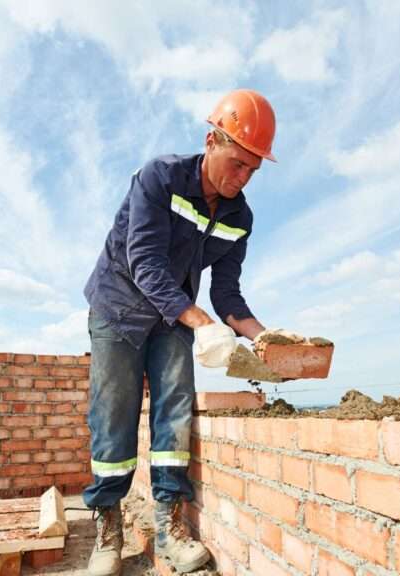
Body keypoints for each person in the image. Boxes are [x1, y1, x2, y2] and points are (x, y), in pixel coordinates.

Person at [81, 89, 276, 575]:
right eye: (237, 163)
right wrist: (201, 322)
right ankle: (107, 528)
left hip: (172, 316)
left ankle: (170, 527)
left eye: (253, 170)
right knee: (113, 413)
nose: (242, 178)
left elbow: (227, 294)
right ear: (212, 141)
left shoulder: (240, 217)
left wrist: (266, 337)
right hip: (119, 308)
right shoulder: (160, 178)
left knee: (174, 410)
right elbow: (144, 262)